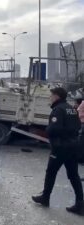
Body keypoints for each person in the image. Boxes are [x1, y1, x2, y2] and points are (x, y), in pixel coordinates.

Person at [32, 87, 84, 216]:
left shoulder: (58, 110)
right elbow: (78, 126)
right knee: (74, 176)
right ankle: (80, 204)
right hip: (72, 146)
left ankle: (45, 198)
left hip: (60, 147)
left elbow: (54, 129)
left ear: (57, 96)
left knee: (51, 172)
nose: (50, 98)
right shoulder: (71, 108)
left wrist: (48, 129)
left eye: (51, 95)